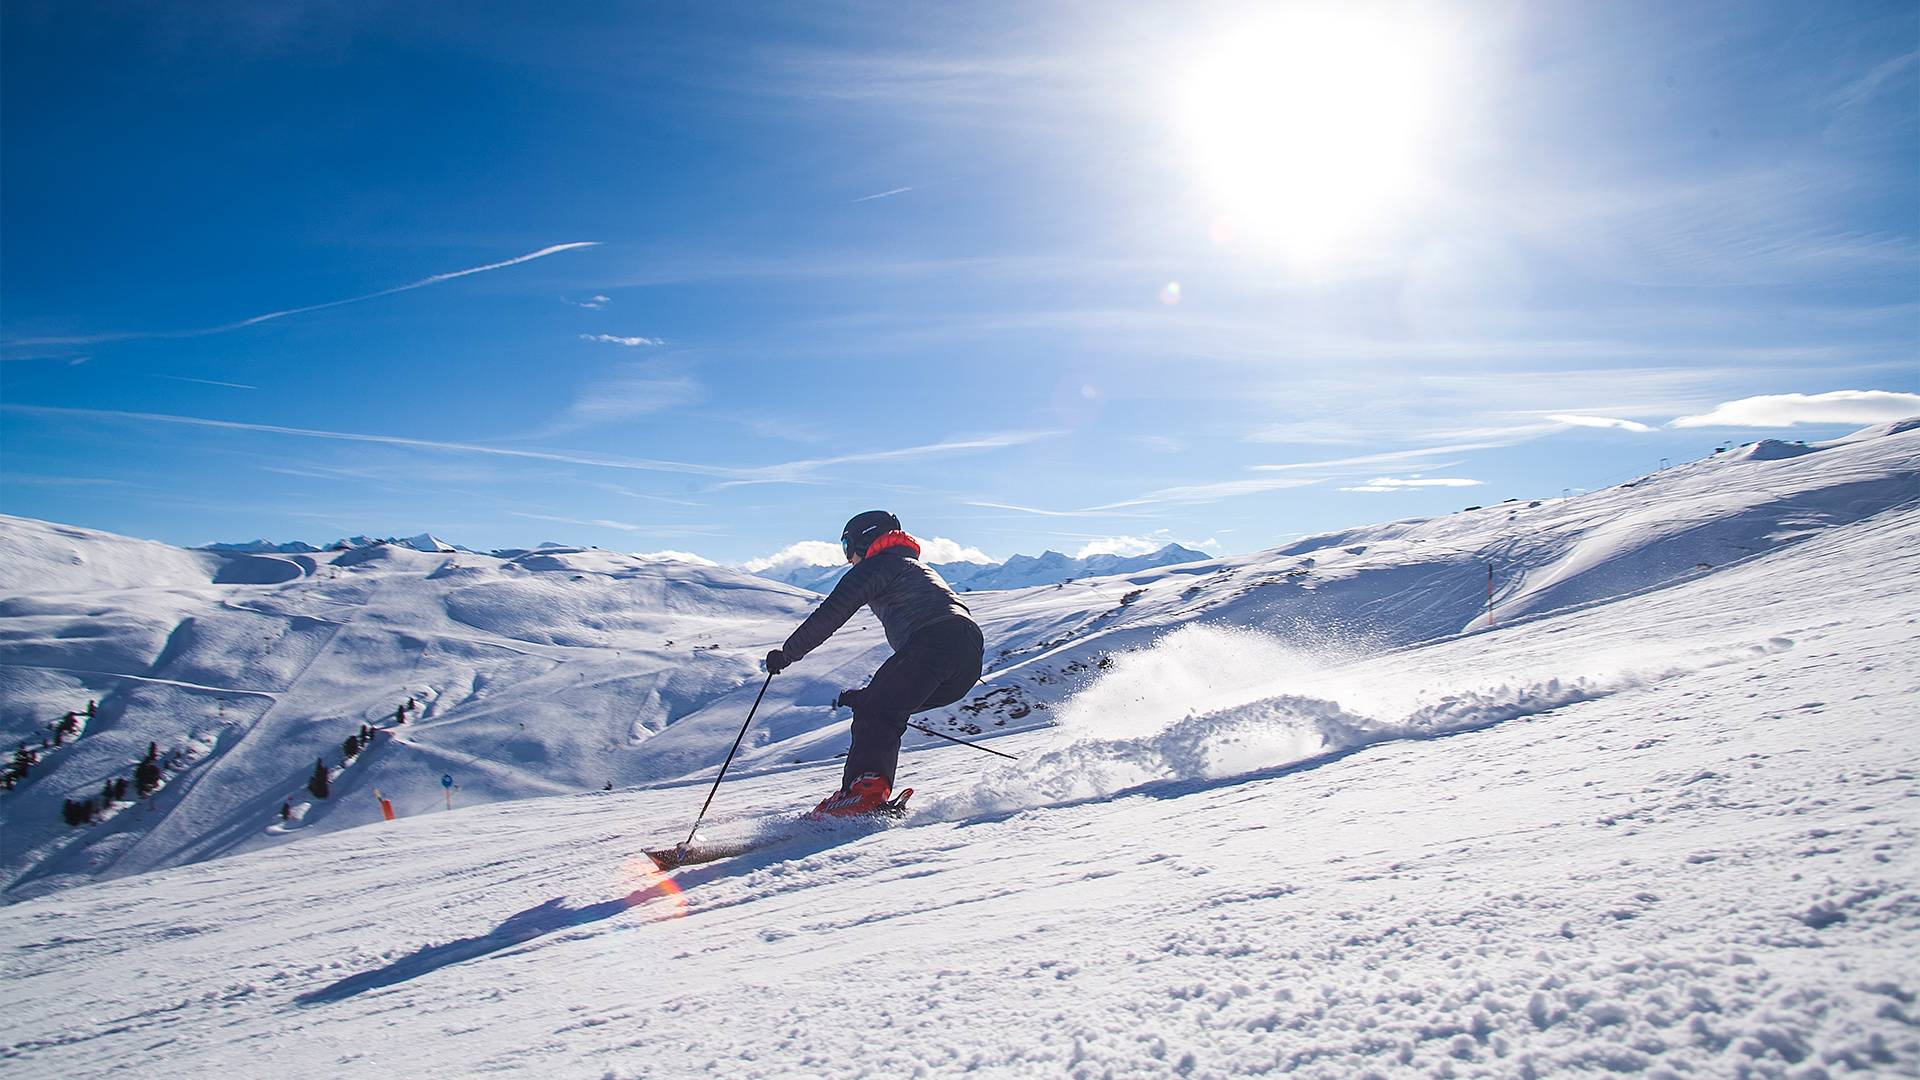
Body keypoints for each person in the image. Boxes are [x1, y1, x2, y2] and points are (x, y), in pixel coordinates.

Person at [765, 511, 983, 816]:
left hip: (934, 640)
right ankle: (862, 793)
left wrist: (787, 654)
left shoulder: (879, 564)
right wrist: (870, 697)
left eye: (846, 546)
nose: (847, 558)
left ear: (865, 539)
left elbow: (832, 613)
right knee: (880, 705)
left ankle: (862, 794)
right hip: (967, 659)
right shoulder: (914, 565)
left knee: (877, 709)